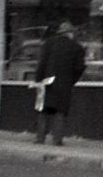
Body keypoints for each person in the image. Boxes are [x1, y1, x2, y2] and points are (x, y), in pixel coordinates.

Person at [34, 16, 85, 149]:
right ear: (70, 33)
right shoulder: (77, 47)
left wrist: (38, 80)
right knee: (59, 111)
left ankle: (40, 138)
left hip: (47, 81)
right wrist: (72, 80)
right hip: (64, 83)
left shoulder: (49, 43)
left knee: (44, 110)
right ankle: (57, 140)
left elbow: (42, 64)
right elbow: (79, 68)